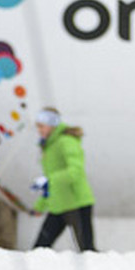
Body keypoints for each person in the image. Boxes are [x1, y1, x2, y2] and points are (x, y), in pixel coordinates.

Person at [31, 107, 96, 251]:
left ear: (52, 124)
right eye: (38, 127)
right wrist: (40, 206)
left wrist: (50, 180)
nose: (39, 130)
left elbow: (76, 171)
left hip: (77, 203)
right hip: (58, 204)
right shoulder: (49, 146)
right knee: (39, 250)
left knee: (87, 251)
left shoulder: (66, 141)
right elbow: (51, 181)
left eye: (42, 126)